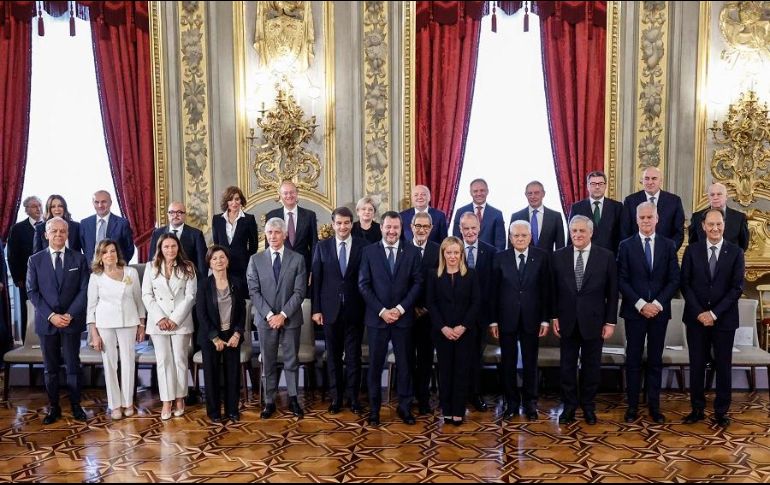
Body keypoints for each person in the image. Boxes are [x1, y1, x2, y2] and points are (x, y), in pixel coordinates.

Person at [551, 215, 618, 425]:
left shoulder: (605, 256)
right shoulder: (558, 256)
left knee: (591, 368)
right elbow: (552, 290)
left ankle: (588, 406)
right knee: (567, 367)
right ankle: (569, 406)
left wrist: (610, 322)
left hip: (595, 322)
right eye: (574, 231)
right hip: (567, 321)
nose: (577, 235)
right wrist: (554, 316)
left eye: (581, 231)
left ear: (591, 232)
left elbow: (612, 292)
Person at [681, 208, 744, 428]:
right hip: (695, 319)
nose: (715, 228)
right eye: (710, 225)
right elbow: (685, 284)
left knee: (723, 365)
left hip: (724, 320)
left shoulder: (735, 252)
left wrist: (714, 313)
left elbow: (736, 289)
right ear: (703, 226)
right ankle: (697, 409)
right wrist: (700, 312)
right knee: (697, 364)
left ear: (724, 226)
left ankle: (720, 411)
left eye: (718, 224)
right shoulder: (692, 251)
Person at [617, 202, 680, 424]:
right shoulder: (625, 246)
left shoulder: (668, 245)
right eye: (641, 217)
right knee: (633, 360)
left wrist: (657, 304)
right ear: (636, 220)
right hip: (635, 313)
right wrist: (642, 304)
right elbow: (621, 280)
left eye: (649, 217)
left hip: (659, 313)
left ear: (657, 218)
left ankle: (654, 406)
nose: (645, 221)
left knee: (655, 360)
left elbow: (674, 279)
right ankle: (632, 406)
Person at [358, 211, 423, 426]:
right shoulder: (368, 252)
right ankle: (374, 409)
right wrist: (382, 311)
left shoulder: (412, 252)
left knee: (405, 365)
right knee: (375, 366)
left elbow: (417, 283)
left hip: (403, 320)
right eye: (388, 227)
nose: (392, 231)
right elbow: (363, 285)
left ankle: (404, 408)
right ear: (381, 228)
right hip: (377, 320)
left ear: (401, 228)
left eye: (396, 227)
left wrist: (401, 309)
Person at [26, 217, 90, 424]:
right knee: (50, 369)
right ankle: (53, 408)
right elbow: (32, 292)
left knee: (73, 366)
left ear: (68, 234)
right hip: (47, 322)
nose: (58, 235)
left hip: (72, 321)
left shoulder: (78, 259)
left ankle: (76, 405)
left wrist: (69, 315)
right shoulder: (34, 260)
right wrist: (52, 316)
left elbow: (84, 290)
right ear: (46, 234)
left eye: (63, 231)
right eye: (54, 231)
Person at [490, 220, 550, 421]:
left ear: (530, 237)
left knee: (530, 363)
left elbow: (545, 291)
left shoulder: (541, 257)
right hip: (506, 319)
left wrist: (545, 320)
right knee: (508, 363)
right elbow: (494, 291)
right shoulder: (500, 258)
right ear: (510, 237)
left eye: (524, 235)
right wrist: (493, 321)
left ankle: (530, 404)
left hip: (532, 319)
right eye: (516, 235)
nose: (520, 239)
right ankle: (511, 403)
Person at [248, 217, 307, 419]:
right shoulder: (255, 260)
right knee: (269, 362)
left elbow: (300, 292)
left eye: (277, 232)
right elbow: (254, 292)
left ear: (285, 234)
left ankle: (293, 399)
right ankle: (269, 401)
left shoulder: (297, 259)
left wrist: (282, 315)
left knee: (291, 361)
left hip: (290, 319)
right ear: (265, 234)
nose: (273, 236)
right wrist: (270, 315)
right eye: (270, 232)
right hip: (265, 321)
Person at [311, 207, 366, 414]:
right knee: (332, 356)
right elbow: (316, 280)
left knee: (353, 356)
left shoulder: (363, 246)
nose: (343, 227)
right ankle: (336, 398)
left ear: (352, 224)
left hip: (355, 309)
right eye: (339, 223)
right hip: (329, 310)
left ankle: (353, 398)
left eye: (346, 223)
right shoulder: (322, 247)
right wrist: (316, 309)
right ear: (333, 224)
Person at [86, 240, 146, 420]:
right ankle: (115, 405)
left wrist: (141, 324)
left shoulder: (131, 272)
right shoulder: (96, 277)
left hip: (129, 321)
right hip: (105, 324)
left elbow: (139, 299)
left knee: (128, 362)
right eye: (105, 252)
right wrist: (94, 334)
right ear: (100, 256)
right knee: (110, 364)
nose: (110, 255)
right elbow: (91, 307)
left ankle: (128, 402)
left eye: (112, 251)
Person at [142, 233, 197, 420]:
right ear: (160, 249)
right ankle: (167, 401)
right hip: (158, 323)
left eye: (173, 246)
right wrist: (160, 318)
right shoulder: (151, 267)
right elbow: (146, 295)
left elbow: (191, 296)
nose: (170, 250)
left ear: (178, 248)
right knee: (163, 361)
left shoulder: (188, 267)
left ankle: (180, 398)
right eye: (166, 247)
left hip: (180, 322)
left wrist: (174, 319)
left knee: (180, 361)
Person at [427, 236, 481, 425]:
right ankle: (447, 410)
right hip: (442, 333)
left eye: (456, 252)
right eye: (448, 252)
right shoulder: (434, 275)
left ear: (461, 254)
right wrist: (443, 327)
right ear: (443, 253)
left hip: (464, 332)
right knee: (445, 371)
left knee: (461, 371)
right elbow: (431, 304)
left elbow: (476, 303)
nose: (452, 256)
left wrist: (463, 326)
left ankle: (458, 410)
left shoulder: (471, 274)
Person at [196, 245, 247, 424]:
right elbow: (201, 314)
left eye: (222, 257)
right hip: (211, 337)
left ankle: (232, 410)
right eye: (214, 258)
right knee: (212, 374)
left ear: (227, 260)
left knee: (232, 374)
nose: (219, 261)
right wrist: (214, 337)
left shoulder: (237, 282)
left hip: (232, 335)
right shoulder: (203, 284)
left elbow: (242, 311)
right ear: (209, 262)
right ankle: (214, 411)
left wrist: (237, 333)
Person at [457, 212, 496, 412]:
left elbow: (493, 287)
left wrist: (492, 319)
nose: (470, 232)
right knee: (460, 358)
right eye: (466, 228)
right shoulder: (453, 250)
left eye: (473, 228)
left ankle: (475, 394)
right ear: (460, 229)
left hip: (480, 317)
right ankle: (459, 395)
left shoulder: (491, 252)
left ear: (479, 228)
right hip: (457, 317)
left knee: (475, 359)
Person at [408, 211, 439, 415]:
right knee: (408, 357)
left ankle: (424, 398)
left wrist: (426, 307)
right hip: (406, 313)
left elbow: (440, 283)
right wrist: (410, 306)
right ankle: (408, 396)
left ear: (431, 229)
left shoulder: (438, 250)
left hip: (429, 314)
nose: (421, 230)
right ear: (411, 227)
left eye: (425, 227)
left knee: (426, 358)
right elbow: (399, 282)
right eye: (418, 226)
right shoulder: (403, 248)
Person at [622, 166, 685, 251]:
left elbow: (678, 233)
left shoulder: (674, 201)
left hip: (664, 255)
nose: (650, 182)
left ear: (660, 181)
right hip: (636, 254)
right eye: (646, 178)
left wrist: (668, 251)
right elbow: (625, 231)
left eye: (654, 178)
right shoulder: (630, 201)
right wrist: (633, 252)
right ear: (642, 181)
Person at [265, 180, 318, 277]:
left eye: (292, 192)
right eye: (285, 193)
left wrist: (312, 270)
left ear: (297, 194)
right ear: (280, 195)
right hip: (279, 266)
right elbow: (268, 245)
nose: (289, 196)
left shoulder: (309, 215)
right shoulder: (271, 215)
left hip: (303, 267)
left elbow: (314, 244)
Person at [8, 195, 43, 341]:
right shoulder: (17, 229)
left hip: (47, 278)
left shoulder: (49, 225)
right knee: (27, 310)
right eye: (34, 206)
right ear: (26, 210)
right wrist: (17, 278)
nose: (38, 209)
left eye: (39, 205)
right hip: (26, 279)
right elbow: (12, 255)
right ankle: (27, 342)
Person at [212, 186, 259, 291]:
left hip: (242, 266)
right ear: (226, 202)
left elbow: (254, 245)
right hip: (222, 265)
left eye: (237, 199)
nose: (234, 203)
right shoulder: (217, 219)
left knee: (240, 296)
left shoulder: (249, 219)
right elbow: (217, 244)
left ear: (241, 200)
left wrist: (246, 260)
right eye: (230, 199)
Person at [568, 171, 623, 254]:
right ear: (587, 186)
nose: (597, 187)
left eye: (600, 184)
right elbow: (571, 235)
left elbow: (622, 235)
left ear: (605, 186)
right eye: (593, 184)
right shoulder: (577, 207)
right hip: (584, 256)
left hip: (610, 257)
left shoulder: (617, 207)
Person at [150, 201, 208, 277]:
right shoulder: (157, 233)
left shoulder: (196, 234)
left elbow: (202, 263)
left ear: (185, 215)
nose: (175, 215)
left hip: (189, 278)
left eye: (179, 212)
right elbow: (152, 259)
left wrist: (202, 284)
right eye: (172, 212)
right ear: (168, 215)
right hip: (163, 278)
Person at [688, 182, 749, 251]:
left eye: (719, 194)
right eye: (712, 195)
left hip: (730, 260)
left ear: (726, 197)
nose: (715, 197)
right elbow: (693, 243)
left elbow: (743, 245)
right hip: (703, 260)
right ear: (708, 197)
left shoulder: (739, 218)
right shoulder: (697, 217)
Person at [80, 190, 135, 265]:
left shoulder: (122, 223)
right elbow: (84, 247)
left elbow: (129, 249)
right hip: (92, 270)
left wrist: (119, 265)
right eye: (96, 202)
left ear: (110, 203)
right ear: (93, 203)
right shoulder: (84, 224)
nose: (100, 205)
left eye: (104, 202)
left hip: (115, 269)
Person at [510, 181, 565, 253]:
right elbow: (511, 246)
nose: (533, 196)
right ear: (525, 195)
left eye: (536, 193)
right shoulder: (516, 216)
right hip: (523, 263)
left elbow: (560, 247)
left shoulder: (555, 217)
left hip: (548, 263)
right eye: (530, 193)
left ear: (543, 194)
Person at [452, 178, 506, 251]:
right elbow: (456, 239)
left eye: (482, 190)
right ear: (470, 192)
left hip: (489, 258)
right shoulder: (460, 212)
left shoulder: (497, 214)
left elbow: (500, 243)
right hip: (466, 257)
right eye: (475, 191)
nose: (479, 194)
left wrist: (496, 260)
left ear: (487, 191)